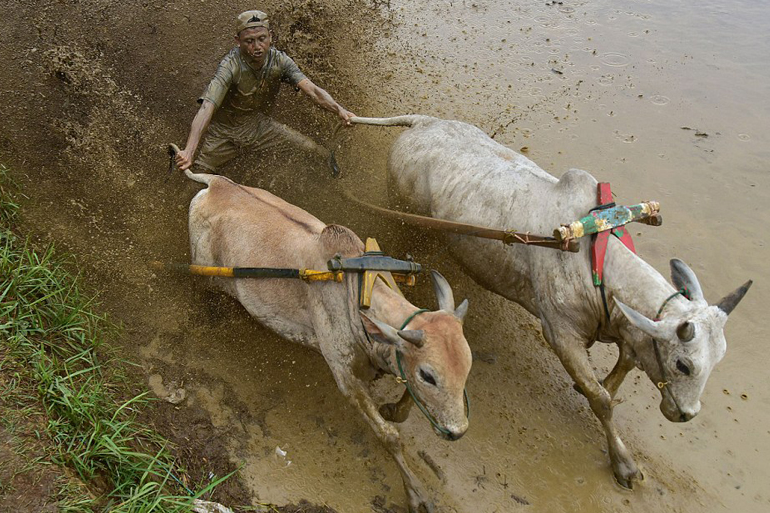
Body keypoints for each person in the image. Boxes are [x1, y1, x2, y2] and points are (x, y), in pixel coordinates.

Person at [175, 9, 355, 176]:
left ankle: (335, 189)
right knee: (197, 179)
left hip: (260, 128)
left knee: (318, 153)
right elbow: (207, 106)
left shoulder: (280, 61)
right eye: (249, 41)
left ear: (270, 36)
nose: (257, 46)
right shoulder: (230, 66)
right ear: (237, 41)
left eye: (262, 38)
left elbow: (313, 90)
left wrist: (339, 109)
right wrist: (189, 151)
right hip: (224, 133)